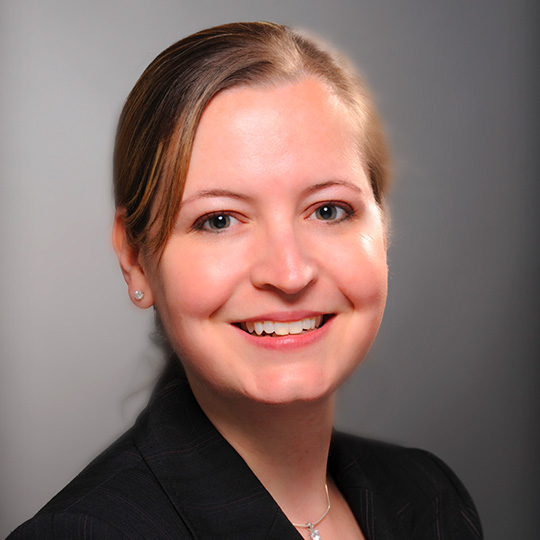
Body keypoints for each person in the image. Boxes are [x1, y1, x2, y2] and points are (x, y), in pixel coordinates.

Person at [7, 22, 482, 540]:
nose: (289, 272)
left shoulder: (429, 496)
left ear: (382, 225)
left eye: (328, 210)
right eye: (219, 220)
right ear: (136, 260)